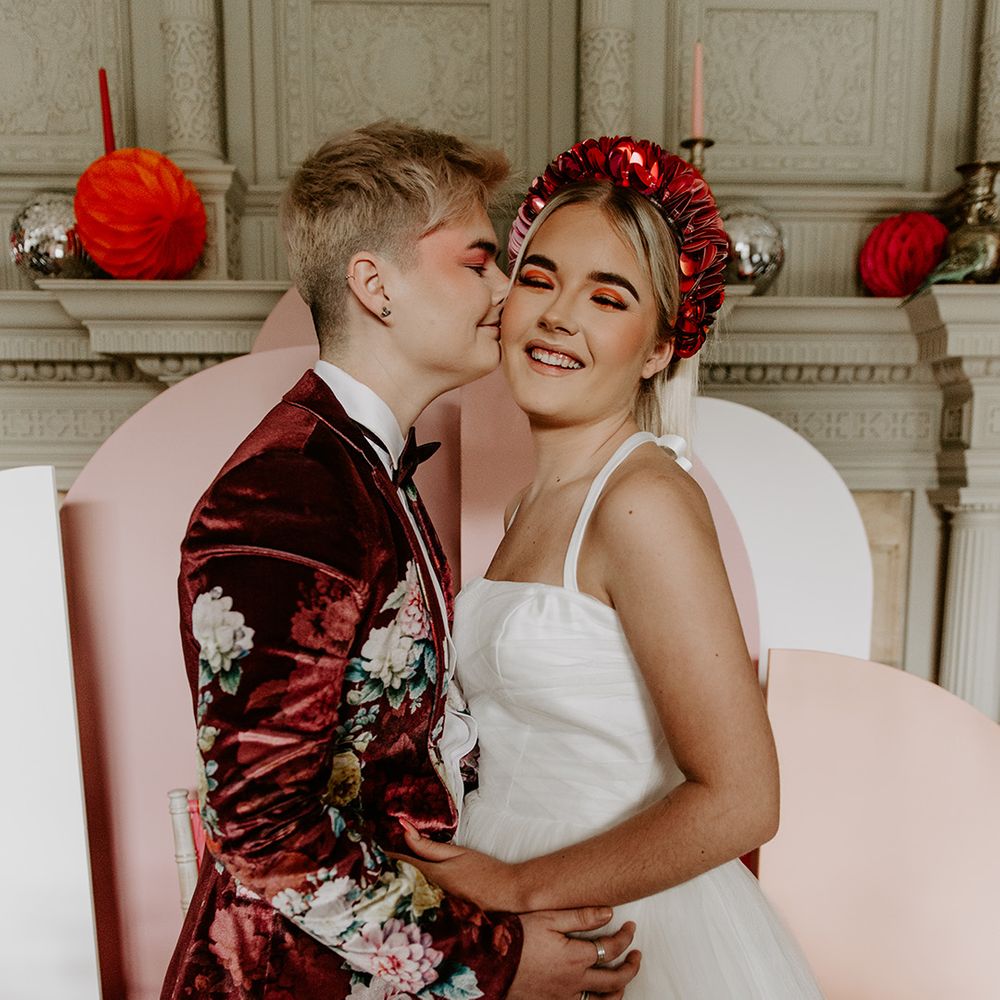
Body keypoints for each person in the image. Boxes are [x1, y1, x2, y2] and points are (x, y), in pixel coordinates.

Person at [161, 122, 641, 999]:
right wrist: (490, 962)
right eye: (478, 260)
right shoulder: (287, 496)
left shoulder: (361, 467)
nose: (507, 289)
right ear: (374, 285)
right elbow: (264, 831)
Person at [398, 137, 825, 998]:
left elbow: (744, 799)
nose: (558, 316)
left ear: (662, 346)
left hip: (615, 919)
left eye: (608, 296)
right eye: (541, 278)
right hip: (514, 911)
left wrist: (516, 887)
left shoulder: (642, 501)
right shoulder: (529, 505)